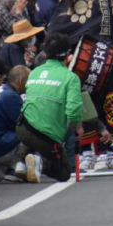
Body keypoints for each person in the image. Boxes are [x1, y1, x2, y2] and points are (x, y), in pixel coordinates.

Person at [17, 34, 82, 183]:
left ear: (45, 53)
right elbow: (73, 111)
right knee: (64, 173)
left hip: (22, 128)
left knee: (35, 124)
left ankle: (21, 163)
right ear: (67, 55)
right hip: (47, 134)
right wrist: (77, 125)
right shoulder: (70, 78)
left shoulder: (34, 73)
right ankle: (40, 162)